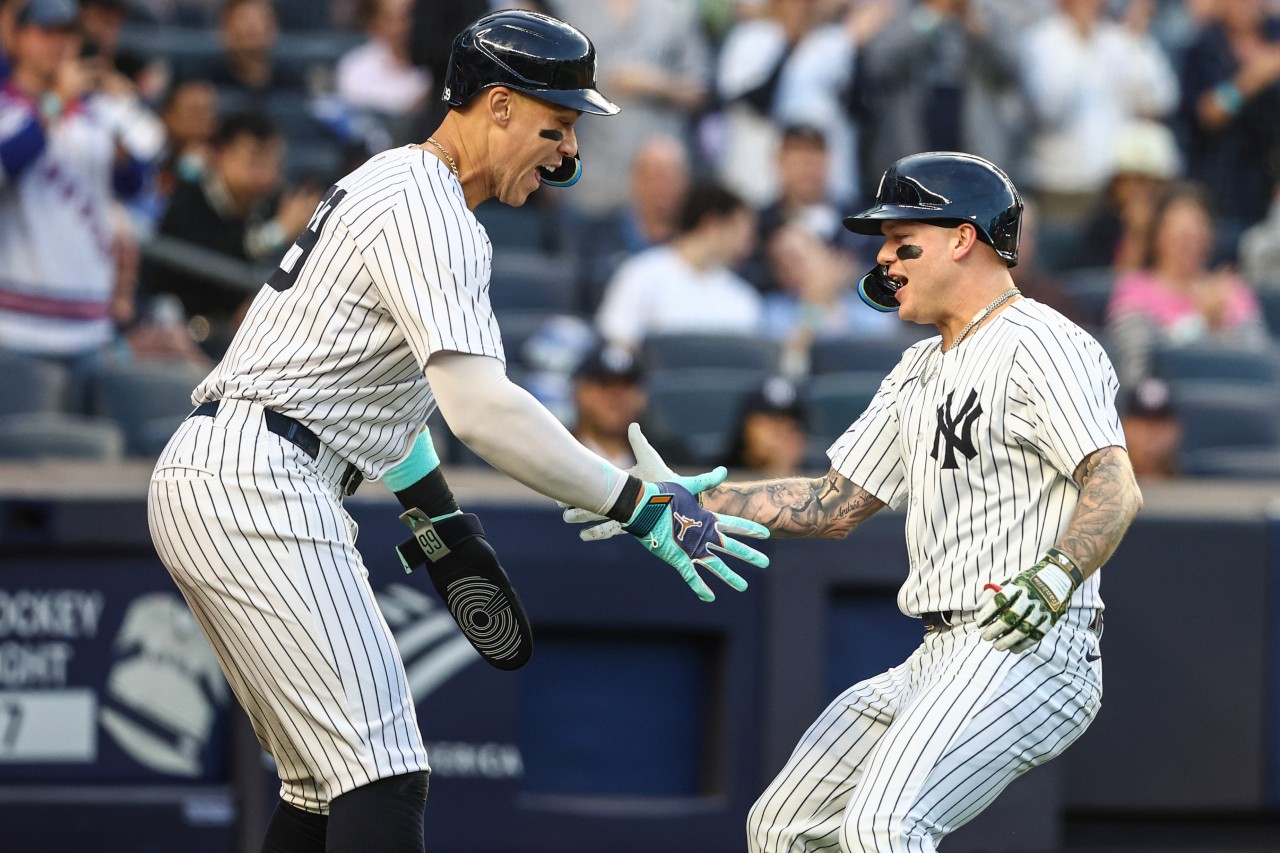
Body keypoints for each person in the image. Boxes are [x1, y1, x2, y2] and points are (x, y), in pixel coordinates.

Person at [145, 11, 769, 853]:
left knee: (323, 786)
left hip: (238, 465)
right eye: (557, 126)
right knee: (383, 772)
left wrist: (437, 515)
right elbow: (483, 411)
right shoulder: (428, 202)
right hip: (258, 480)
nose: (569, 155)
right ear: (499, 106)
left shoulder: (403, 186)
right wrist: (638, 503)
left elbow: (362, 389)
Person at [567, 151, 1143, 852]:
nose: (885, 260)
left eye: (902, 240)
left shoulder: (1043, 341)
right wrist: (687, 500)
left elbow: (1114, 482)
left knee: (883, 826)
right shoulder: (917, 367)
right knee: (781, 827)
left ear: (963, 237)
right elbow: (834, 502)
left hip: (1031, 642)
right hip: (940, 650)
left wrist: (1053, 577)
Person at [0, 0, 150, 409]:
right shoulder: (7, 104)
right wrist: (56, 102)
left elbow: (134, 183)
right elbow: (7, 163)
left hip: (87, 326)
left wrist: (116, 113)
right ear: (18, 37)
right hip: (15, 328)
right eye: (45, 31)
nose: (58, 43)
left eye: (67, 33)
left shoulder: (93, 114)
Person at [140, 111, 321, 358]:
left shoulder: (271, 203)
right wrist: (275, 235)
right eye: (256, 158)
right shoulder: (189, 196)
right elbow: (204, 260)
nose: (267, 171)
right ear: (222, 154)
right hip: (184, 330)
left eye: (273, 159)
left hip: (246, 332)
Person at [1105, 181, 1269, 389]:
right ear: (1157, 236)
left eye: (1196, 233)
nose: (1187, 244)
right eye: (1178, 233)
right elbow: (1137, 372)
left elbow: (1260, 365)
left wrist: (1219, 324)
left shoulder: (1231, 291)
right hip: (1165, 413)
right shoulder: (1133, 293)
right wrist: (1199, 322)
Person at [595, 180, 762, 352]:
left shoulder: (742, 298)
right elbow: (615, 341)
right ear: (712, 225)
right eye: (741, 231)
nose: (747, 244)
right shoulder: (640, 274)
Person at [571, 343, 647, 468]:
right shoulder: (553, 457)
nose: (616, 394)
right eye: (604, 383)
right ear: (580, 392)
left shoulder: (669, 461)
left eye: (627, 385)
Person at [721, 375, 810, 478]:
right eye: (771, 421)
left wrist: (783, 470)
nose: (781, 432)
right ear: (747, 426)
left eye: (790, 424)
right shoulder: (716, 476)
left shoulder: (818, 478)